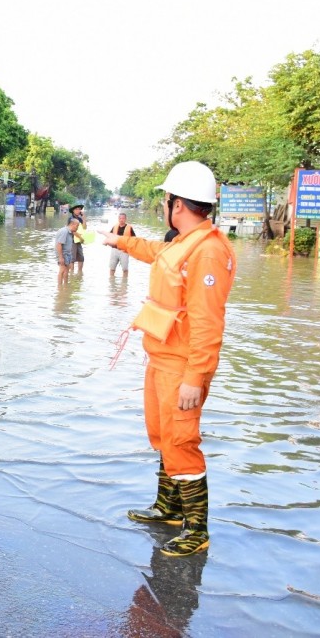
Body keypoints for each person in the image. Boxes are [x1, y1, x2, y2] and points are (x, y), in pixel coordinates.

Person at [102, 161, 236, 557]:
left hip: (182, 365)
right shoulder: (184, 242)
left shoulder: (208, 252)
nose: (165, 205)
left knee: (181, 441)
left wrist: (196, 377)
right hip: (162, 358)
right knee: (163, 435)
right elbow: (156, 252)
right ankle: (169, 508)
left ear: (177, 203)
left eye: (166, 199)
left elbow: (208, 323)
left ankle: (196, 529)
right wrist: (118, 241)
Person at [55, 216, 80, 286]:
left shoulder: (70, 232)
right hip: (63, 254)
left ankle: (65, 287)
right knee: (62, 270)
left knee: (66, 271)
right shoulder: (64, 231)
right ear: (72, 224)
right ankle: (60, 287)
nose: (77, 228)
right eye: (77, 226)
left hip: (68, 253)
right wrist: (61, 257)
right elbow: (59, 244)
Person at [70, 204, 87, 273]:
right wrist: (81, 238)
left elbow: (84, 228)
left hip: (78, 240)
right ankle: (71, 273)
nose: (78, 210)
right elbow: (72, 231)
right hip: (72, 240)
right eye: (76, 209)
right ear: (73, 211)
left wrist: (84, 218)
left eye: (79, 209)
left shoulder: (80, 219)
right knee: (72, 259)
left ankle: (80, 273)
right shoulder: (71, 219)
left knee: (81, 258)